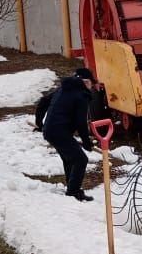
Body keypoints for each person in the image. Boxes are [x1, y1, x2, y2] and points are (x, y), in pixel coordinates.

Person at [35, 67, 96, 201]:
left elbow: (43, 102)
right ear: (86, 82)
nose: (92, 87)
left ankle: (72, 188)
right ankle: (73, 192)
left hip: (51, 131)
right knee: (81, 159)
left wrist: (40, 124)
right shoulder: (82, 95)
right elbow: (81, 121)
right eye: (91, 83)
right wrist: (86, 141)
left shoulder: (63, 89)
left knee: (70, 159)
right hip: (58, 132)